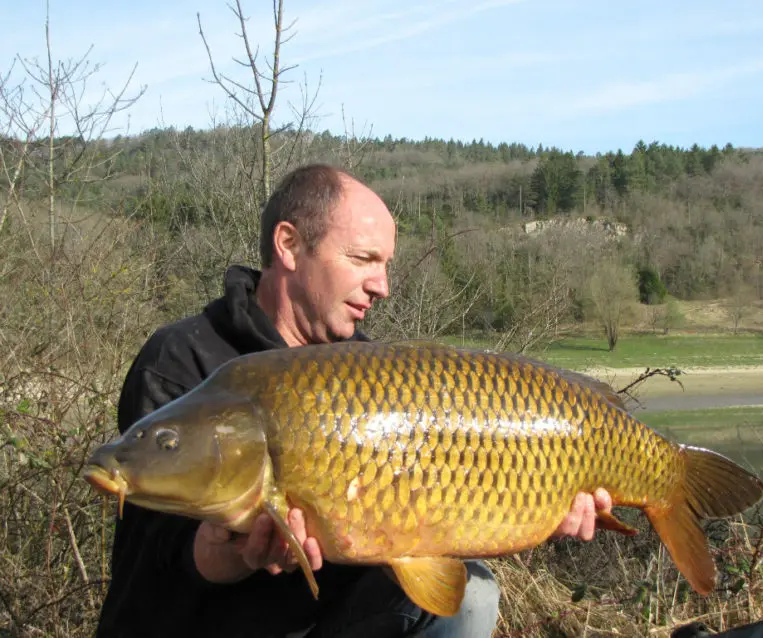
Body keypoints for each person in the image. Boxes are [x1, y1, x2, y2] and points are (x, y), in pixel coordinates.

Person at [95, 163, 612, 637]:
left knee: (470, 595)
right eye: (364, 259)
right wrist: (229, 555)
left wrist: (540, 505)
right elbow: (154, 550)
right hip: (188, 626)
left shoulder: (372, 371)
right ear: (290, 245)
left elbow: (448, 509)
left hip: (324, 625)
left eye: (385, 264)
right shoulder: (183, 357)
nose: (383, 286)